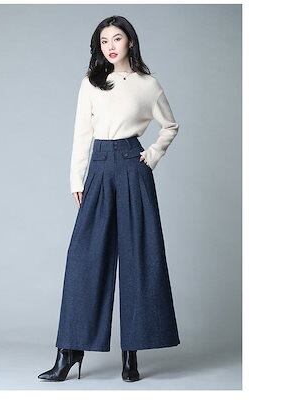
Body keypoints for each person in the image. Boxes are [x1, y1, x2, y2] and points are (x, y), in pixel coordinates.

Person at [38, 15, 181, 383]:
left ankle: (131, 354)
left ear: (130, 41)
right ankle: (70, 351)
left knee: (138, 258)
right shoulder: (91, 83)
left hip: (133, 167)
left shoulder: (148, 85)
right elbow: (81, 134)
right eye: (104, 41)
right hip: (99, 168)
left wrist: (151, 155)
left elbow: (170, 125)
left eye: (117, 38)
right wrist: (76, 178)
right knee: (84, 259)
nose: (111, 46)